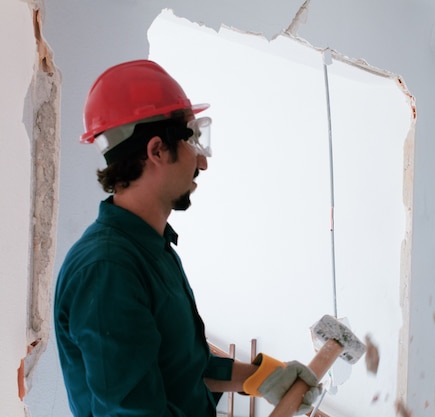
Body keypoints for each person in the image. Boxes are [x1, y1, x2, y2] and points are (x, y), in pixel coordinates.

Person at [54, 60, 320, 417]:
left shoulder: (152, 249)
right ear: (158, 150)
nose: (203, 164)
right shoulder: (108, 271)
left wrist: (260, 377)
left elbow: (179, 366)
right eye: (192, 139)